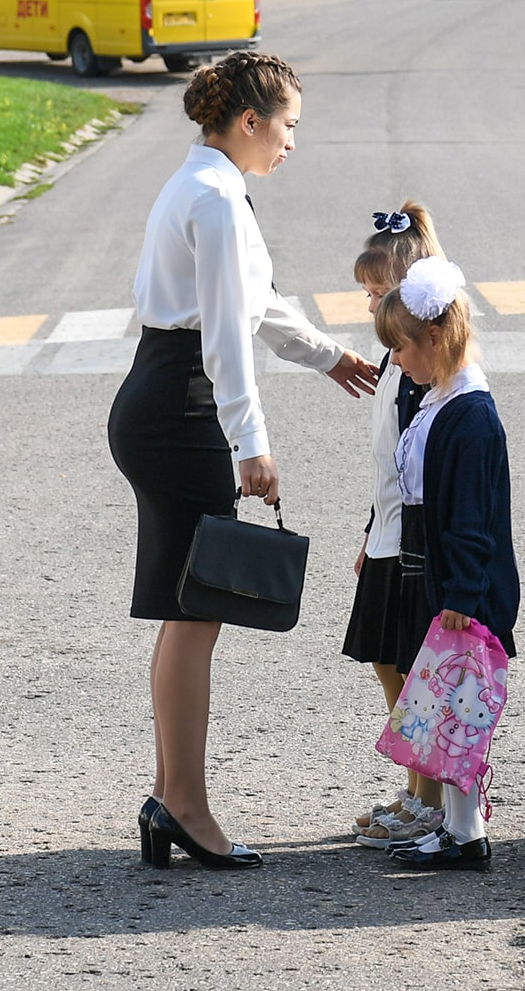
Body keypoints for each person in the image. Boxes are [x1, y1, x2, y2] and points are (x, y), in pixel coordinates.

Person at [114, 52, 380, 871]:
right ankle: (187, 808)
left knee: (185, 608)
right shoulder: (219, 199)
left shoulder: (200, 184)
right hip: (183, 407)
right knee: (197, 612)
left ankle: (170, 797)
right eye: (288, 125)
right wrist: (251, 442)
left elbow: (251, 302)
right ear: (250, 120)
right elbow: (227, 333)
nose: (292, 141)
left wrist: (325, 354)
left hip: (159, 396)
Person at [375, 256, 520, 872]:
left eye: (401, 347)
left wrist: (462, 592)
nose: (396, 361)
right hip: (439, 576)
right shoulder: (439, 400)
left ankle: (466, 834)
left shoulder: (470, 414)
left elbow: (470, 516)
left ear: (434, 337)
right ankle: (461, 828)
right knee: (448, 704)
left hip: (465, 587)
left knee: (462, 704)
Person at [342, 203, 443, 851]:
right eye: (368, 294)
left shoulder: (420, 373)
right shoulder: (391, 361)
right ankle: (413, 787)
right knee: (386, 661)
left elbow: (421, 470)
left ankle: (430, 798)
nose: (371, 305)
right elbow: (388, 464)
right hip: (386, 534)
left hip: (413, 544)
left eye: (379, 293)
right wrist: (368, 532)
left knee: (414, 669)